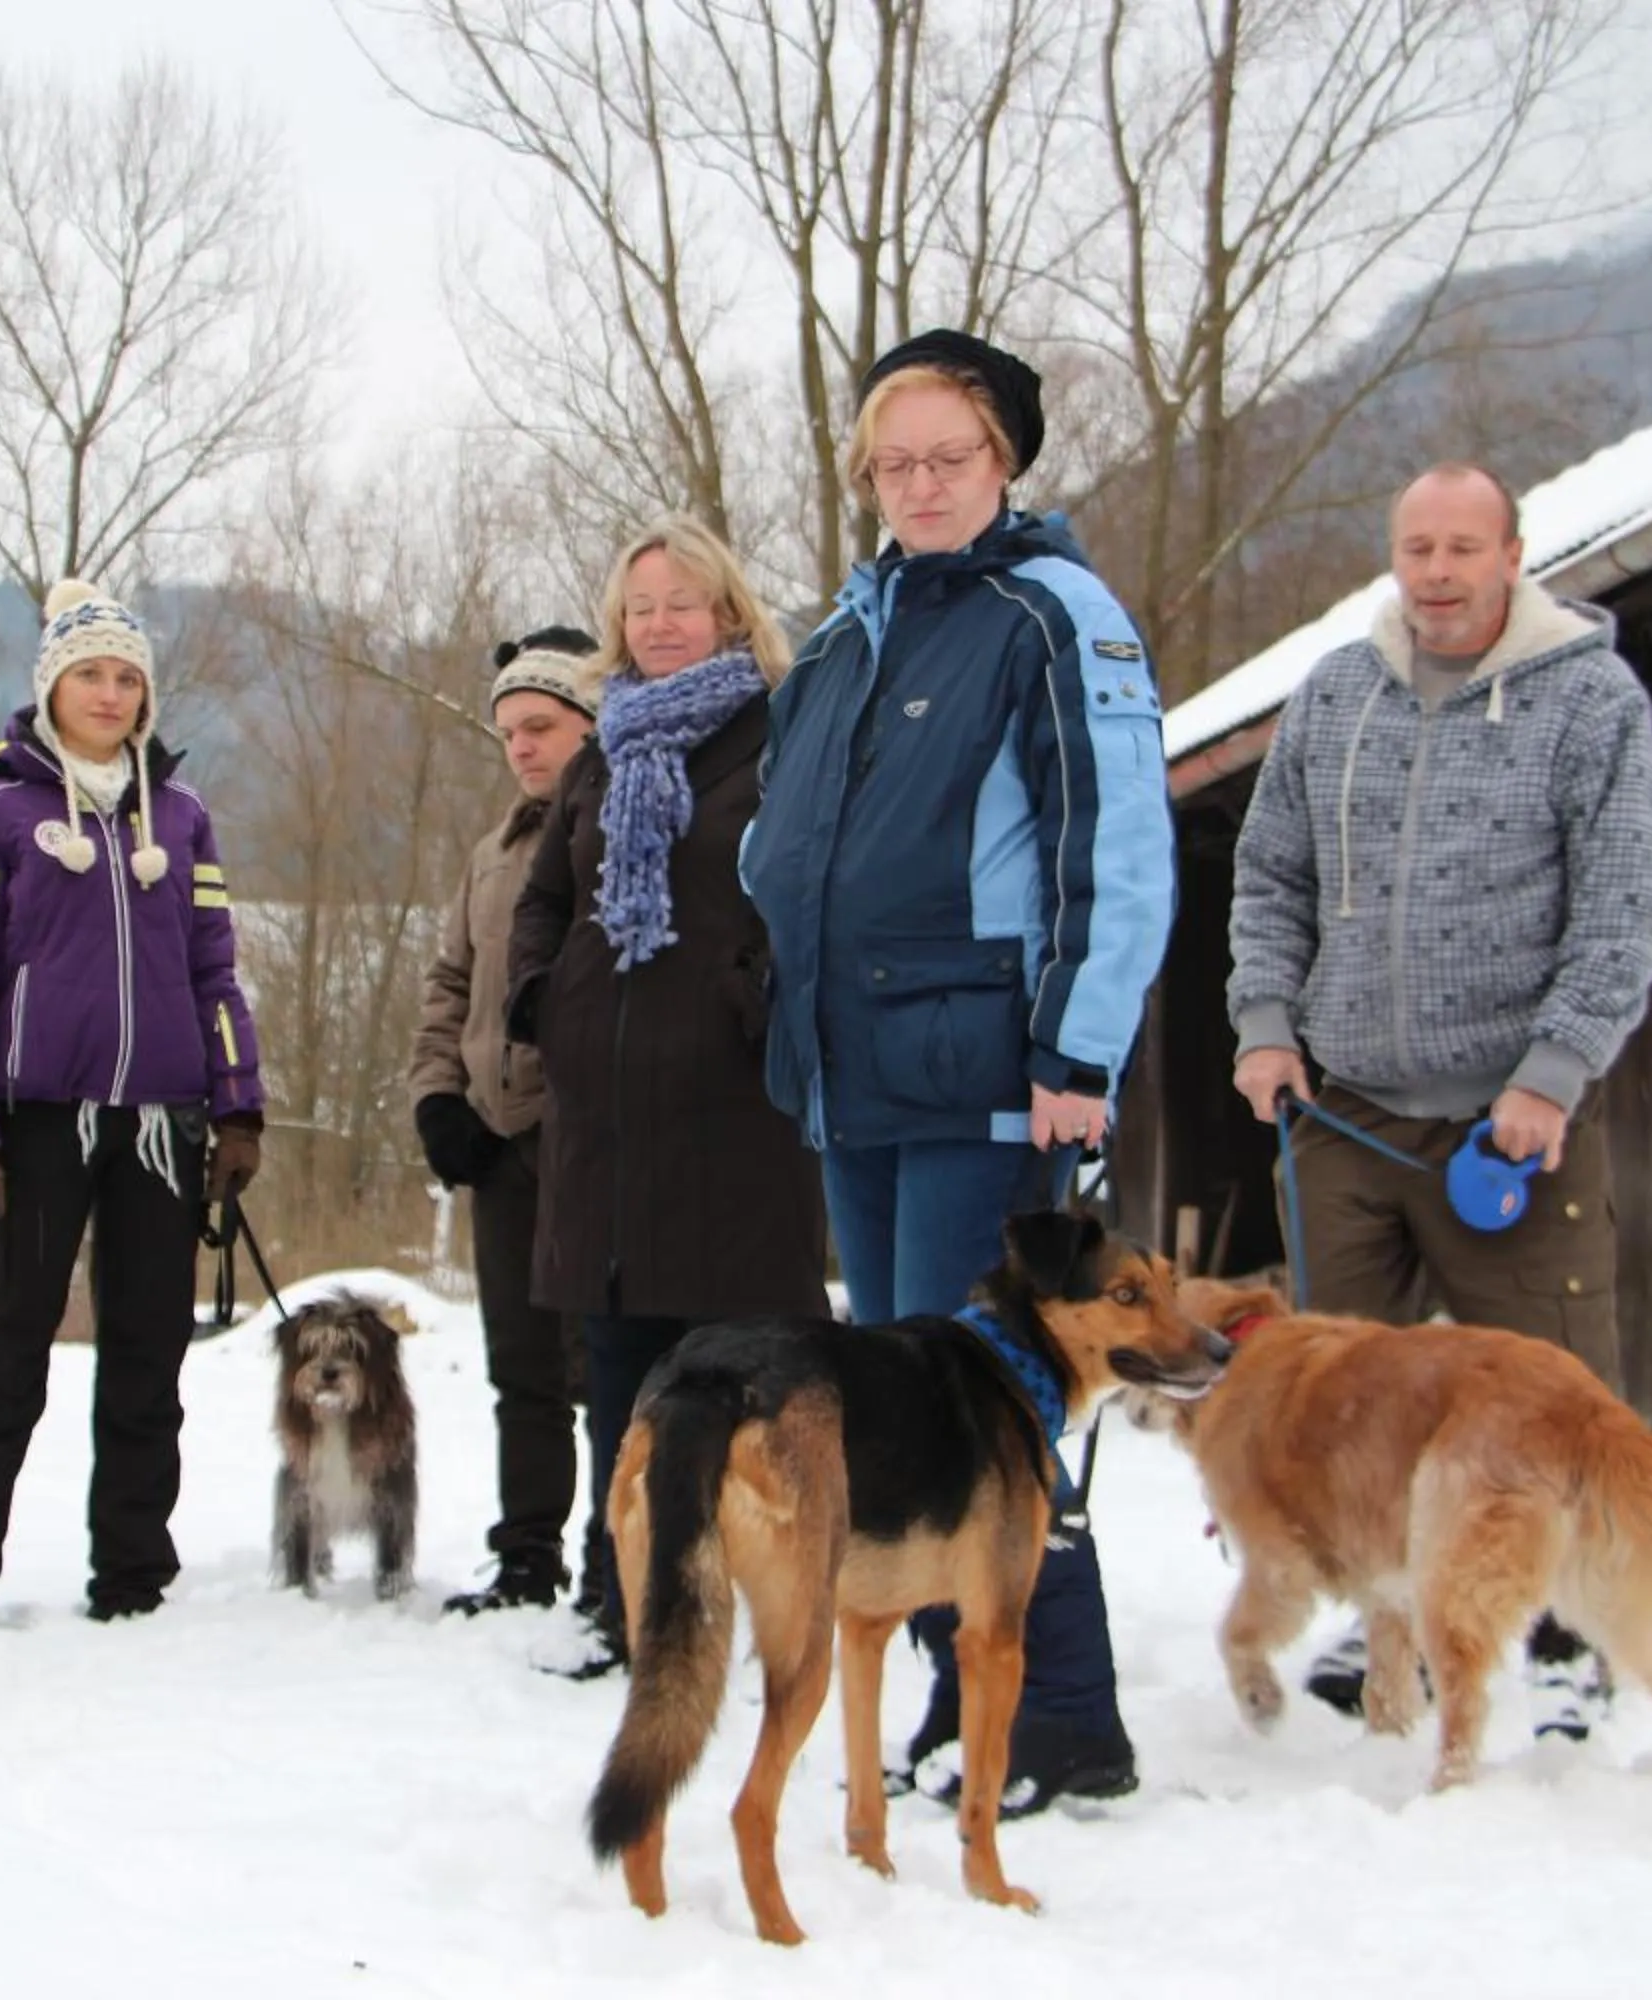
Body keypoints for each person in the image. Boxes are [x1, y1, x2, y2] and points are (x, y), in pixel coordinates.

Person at [744, 329, 1175, 1814]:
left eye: (951, 457)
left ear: (1005, 463)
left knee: (991, 1414)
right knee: (902, 1418)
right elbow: (780, 841)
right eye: (895, 462)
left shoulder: (1051, 615)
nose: (921, 484)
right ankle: (957, 1700)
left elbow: (1112, 846)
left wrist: (1077, 1047)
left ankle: (1060, 1721)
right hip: (856, 1080)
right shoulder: (851, 633)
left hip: (990, 1073)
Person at [1227, 461, 1652, 1735]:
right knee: (1346, 1404)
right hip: (1345, 1116)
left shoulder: (1589, 699)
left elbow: (1622, 909)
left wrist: (1552, 1074)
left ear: (1514, 555)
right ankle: (1384, 1637)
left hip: (1505, 1129)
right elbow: (1269, 876)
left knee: (1551, 1393)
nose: (1437, 571)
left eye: (1463, 547)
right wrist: (1265, 1025)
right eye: (1416, 545)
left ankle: (1581, 1640)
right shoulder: (1335, 695)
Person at [0, 576, 265, 1628]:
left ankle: (135, 1577)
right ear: (51, 684)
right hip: (31, 1121)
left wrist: (237, 1108)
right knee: (7, 1348)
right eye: (90, 674)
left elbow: (215, 971)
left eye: (127, 677)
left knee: (150, 1354)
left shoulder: (183, 817)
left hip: (161, 1124)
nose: (109, 694)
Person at [509, 517, 831, 1674]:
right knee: (619, 1381)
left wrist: (756, 990)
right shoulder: (602, 753)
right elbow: (546, 898)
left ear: (731, 615)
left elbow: (813, 885)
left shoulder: (782, 734)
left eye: (679, 603)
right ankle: (627, 1598)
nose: (656, 624)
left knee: (748, 1374)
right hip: (605, 1120)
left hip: (735, 1111)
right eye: (638, 608)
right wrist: (544, 997)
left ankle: (755, 1592)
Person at [411, 629, 600, 1616]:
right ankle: (527, 1557)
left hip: (596, 1141)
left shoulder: (618, 829)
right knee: (520, 1371)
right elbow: (451, 984)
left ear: (590, 722)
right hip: (497, 1141)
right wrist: (439, 1097)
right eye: (509, 732)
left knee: (608, 1368)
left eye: (543, 726)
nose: (523, 747)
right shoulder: (492, 853)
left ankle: (626, 1564)